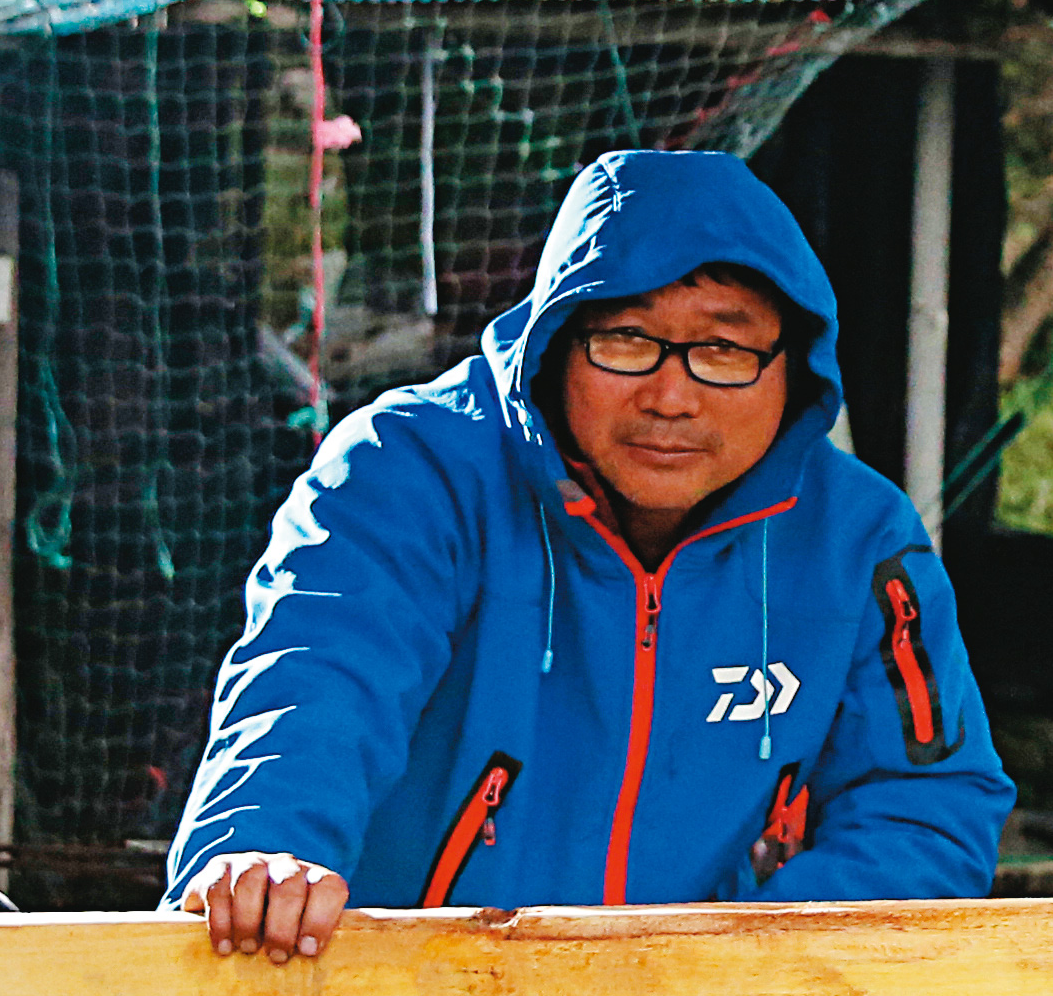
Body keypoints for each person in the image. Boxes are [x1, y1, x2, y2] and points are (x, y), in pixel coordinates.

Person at [167, 147, 1010, 953]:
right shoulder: (410, 470)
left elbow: (926, 805)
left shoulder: (858, 541)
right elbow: (315, 680)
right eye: (625, 340)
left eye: (723, 349)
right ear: (555, 343)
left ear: (795, 364)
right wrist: (263, 846)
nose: (671, 395)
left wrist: (743, 977)